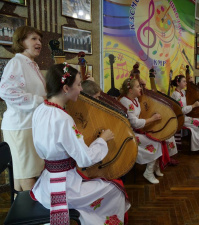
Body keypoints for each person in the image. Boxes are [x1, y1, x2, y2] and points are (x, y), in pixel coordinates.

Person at [30, 63, 130, 225]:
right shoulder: (63, 119)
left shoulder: (41, 109)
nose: (81, 89)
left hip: (46, 182)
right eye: (78, 85)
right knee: (115, 189)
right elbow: (85, 159)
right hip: (64, 187)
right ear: (65, 89)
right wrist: (102, 140)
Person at [0, 26, 45, 192]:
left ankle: (23, 213)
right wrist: (40, 100)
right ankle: (35, 216)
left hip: (29, 125)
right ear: (21, 42)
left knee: (23, 174)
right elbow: (7, 92)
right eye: (33, 39)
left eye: (39, 39)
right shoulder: (17, 62)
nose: (39, 42)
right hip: (20, 126)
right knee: (27, 174)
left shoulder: (30, 64)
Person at [119, 74, 170, 184]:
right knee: (155, 142)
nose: (140, 88)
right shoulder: (126, 101)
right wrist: (152, 119)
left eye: (140, 86)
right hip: (128, 133)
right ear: (130, 90)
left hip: (136, 130)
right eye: (138, 86)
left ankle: (155, 166)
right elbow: (135, 123)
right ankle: (148, 172)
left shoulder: (135, 99)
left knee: (159, 138)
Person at [171, 75, 199, 157]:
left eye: (185, 81)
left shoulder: (182, 93)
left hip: (185, 117)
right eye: (184, 81)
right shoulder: (176, 95)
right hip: (180, 118)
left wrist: (191, 82)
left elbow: (193, 92)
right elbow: (181, 110)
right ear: (178, 82)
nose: (185, 83)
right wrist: (193, 106)